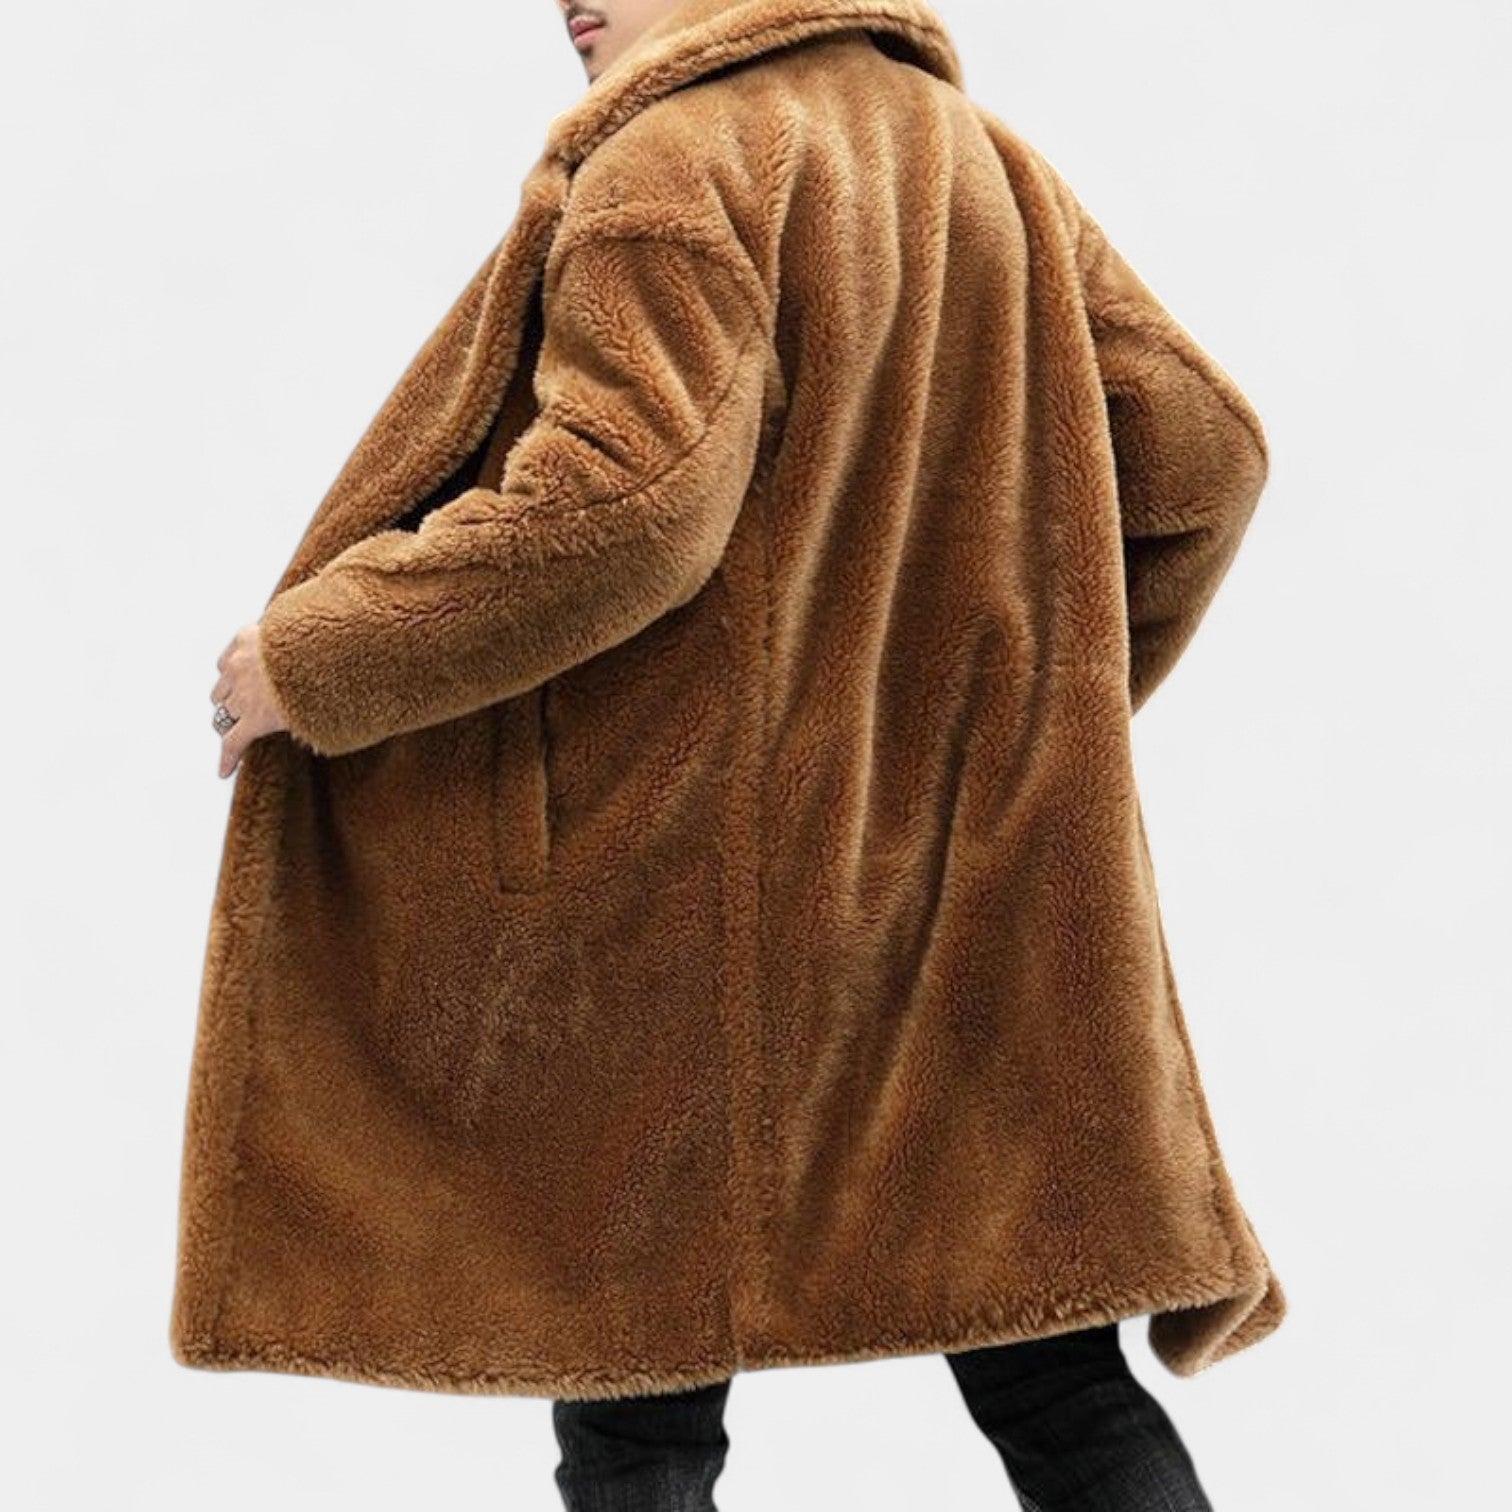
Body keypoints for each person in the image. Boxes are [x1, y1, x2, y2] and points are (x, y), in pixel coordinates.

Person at [187, 2, 1282, 1508]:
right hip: (957, 905)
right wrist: (1021, 720)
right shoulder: (979, 163)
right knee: (1056, 1380)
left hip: (684, 922)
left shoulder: (673, 164)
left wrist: (317, 658)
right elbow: (1205, 457)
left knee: (639, 1416)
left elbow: (622, 509)